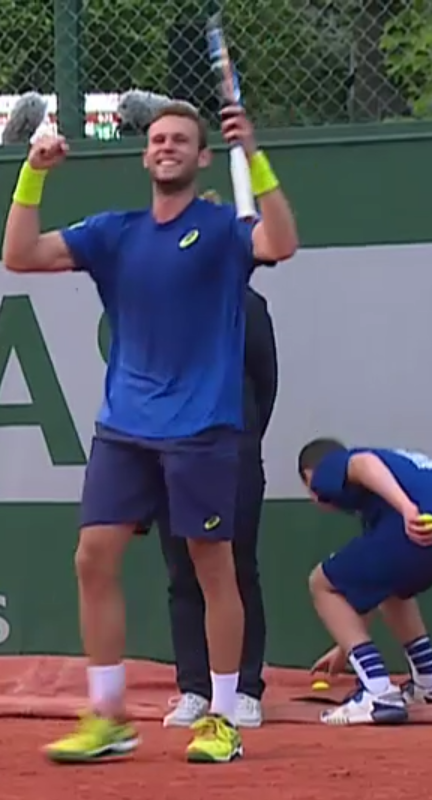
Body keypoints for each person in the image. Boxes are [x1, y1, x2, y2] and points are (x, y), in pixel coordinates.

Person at [1, 100, 298, 763]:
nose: (165, 146)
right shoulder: (115, 233)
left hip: (202, 429)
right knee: (92, 557)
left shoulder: (223, 231)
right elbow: (19, 255)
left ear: (199, 159)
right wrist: (33, 173)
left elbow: (280, 243)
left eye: (181, 141)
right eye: (157, 138)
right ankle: (107, 716)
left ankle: (221, 718)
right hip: (125, 427)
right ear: (145, 155)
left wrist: (253, 153)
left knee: (210, 568)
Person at [297, 438, 432, 726]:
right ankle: (430, 683)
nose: (314, 496)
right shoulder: (394, 474)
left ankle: (377, 690)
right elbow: (375, 587)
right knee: (391, 588)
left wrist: (407, 509)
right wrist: (344, 647)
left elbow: (362, 464)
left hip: (424, 521)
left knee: (321, 583)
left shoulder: (332, 466)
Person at [160, 282, 277, 729]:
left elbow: (265, 383)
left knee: (237, 569)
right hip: (168, 455)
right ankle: (194, 689)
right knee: (182, 575)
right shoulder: (154, 303)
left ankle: (244, 689)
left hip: (232, 455)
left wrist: (241, 438)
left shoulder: (246, 304)